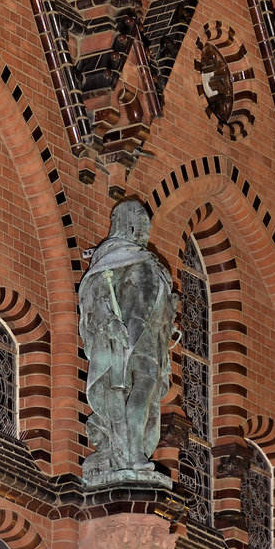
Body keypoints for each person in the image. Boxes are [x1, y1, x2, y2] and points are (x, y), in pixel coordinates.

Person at [79, 198, 178, 487]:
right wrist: (109, 320)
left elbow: (153, 300)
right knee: (130, 390)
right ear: (127, 223)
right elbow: (96, 296)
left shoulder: (148, 261)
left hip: (150, 339)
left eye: (146, 221)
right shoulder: (113, 255)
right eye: (141, 221)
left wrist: (168, 317)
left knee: (146, 389)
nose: (147, 227)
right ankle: (130, 452)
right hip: (123, 336)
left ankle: (135, 450)